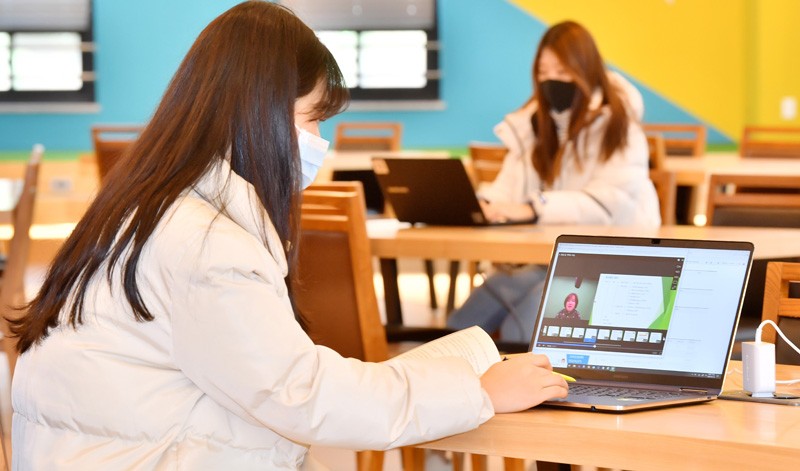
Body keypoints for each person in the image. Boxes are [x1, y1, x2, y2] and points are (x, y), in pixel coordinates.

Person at [7, 2, 568, 469]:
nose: (320, 140)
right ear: (259, 113)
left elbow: (281, 382)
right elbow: (303, 396)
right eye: (312, 119)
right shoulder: (205, 244)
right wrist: (477, 393)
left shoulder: (152, 204)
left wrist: (461, 379)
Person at [448, 20, 660, 344]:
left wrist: (535, 208)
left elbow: (608, 206)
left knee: (522, 330)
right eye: (543, 72)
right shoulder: (535, 125)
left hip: (609, 265)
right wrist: (485, 204)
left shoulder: (619, 128)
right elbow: (509, 185)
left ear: (586, 70)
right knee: (462, 323)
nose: (551, 81)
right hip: (546, 259)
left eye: (562, 71)